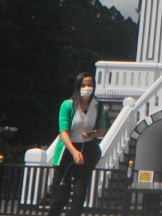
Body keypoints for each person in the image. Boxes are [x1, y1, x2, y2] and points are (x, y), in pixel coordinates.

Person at [47, 73, 107, 216]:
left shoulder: (97, 106)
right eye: (83, 85)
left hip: (87, 149)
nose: (87, 88)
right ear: (77, 86)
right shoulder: (68, 105)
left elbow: (103, 130)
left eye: (90, 85)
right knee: (62, 194)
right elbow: (63, 132)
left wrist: (92, 134)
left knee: (79, 194)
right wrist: (74, 152)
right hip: (68, 150)